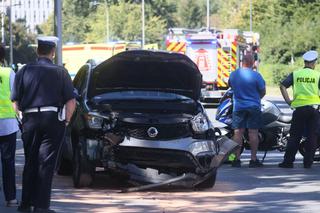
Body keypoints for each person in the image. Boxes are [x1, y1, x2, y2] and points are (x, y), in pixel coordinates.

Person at [11, 36, 76, 213]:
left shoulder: (23, 71)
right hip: (52, 120)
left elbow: (15, 101)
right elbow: (71, 102)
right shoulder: (60, 72)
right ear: (53, 53)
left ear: (37, 51)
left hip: (30, 121)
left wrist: (22, 120)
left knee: (30, 162)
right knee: (45, 164)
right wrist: (67, 121)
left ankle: (25, 204)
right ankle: (41, 206)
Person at [278, 50, 320, 169]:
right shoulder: (318, 75)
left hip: (299, 109)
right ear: (314, 62)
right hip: (314, 109)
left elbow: (282, 86)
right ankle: (308, 162)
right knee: (312, 136)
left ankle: (288, 162)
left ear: (305, 62)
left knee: (295, 136)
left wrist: (288, 101)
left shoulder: (296, 74)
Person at [228, 53, 266, 168]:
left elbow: (230, 86)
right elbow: (263, 91)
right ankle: (253, 160)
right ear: (252, 63)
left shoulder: (234, 74)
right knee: (253, 132)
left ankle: (236, 159)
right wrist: (256, 99)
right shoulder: (256, 76)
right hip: (254, 106)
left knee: (238, 133)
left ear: (242, 61)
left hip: (238, 107)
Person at [0, 45, 19, 207]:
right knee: (8, 162)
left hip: (7, 122)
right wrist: (19, 117)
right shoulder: (8, 73)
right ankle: (11, 198)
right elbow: (15, 99)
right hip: (7, 124)